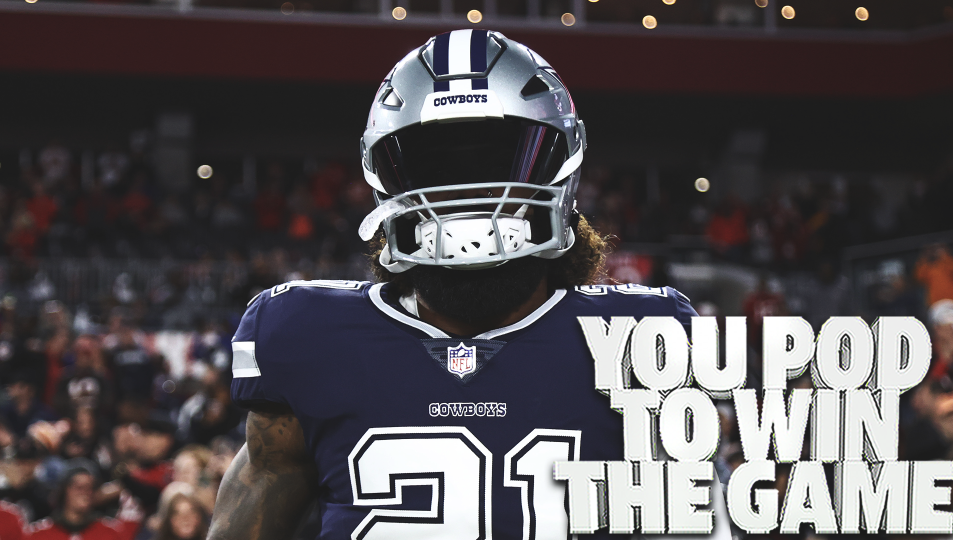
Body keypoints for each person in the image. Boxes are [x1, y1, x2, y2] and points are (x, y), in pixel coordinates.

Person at [208, 30, 731, 540]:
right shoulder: (307, 334)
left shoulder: (644, 340)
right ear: (385, 179)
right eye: (436, 164)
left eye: (499, 160)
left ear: (561, 166)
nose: (470, 197)